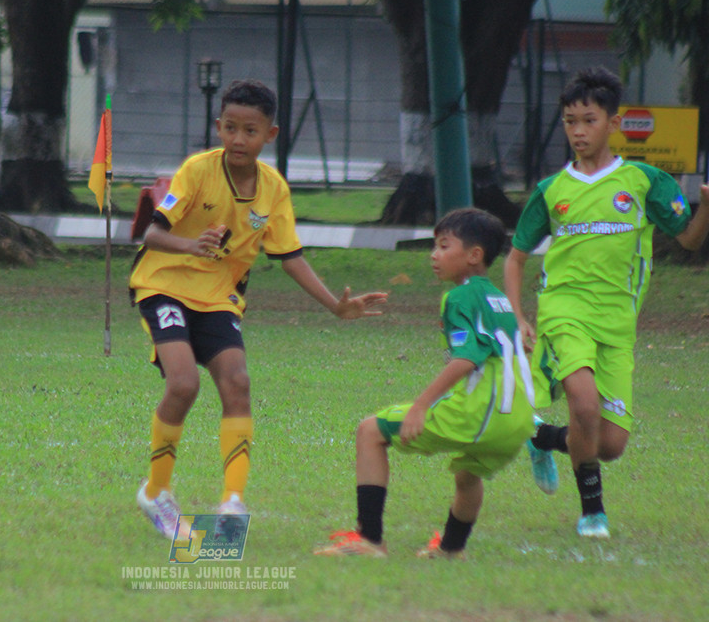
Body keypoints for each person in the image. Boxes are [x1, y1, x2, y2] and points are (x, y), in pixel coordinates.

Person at [130, 79, 388, 539]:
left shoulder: (273, 190)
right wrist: (192, 245)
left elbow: (289, 257)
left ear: (270, 135)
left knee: (238, 382)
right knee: (184, 383)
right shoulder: (197, 170)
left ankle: (232, 503)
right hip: (162, 285)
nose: (237, 139)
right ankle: (156, 493)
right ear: (218, 127)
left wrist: (336, 307)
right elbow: (152, 234)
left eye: (250, 130)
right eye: (229, 128)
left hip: (218, 297)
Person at [504, 66, 709, 539]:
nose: (578, 131)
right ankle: (592, 512)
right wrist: (518, 315)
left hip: (618, 321)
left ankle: (542, 437)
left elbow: (691, 242)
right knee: (583, 402)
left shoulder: (643, 181)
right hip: (564, 310)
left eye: (589, 120)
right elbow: (515, 259)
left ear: (613, 123)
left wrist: (706, 207)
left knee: (610, 444)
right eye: (570, 121)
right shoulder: (551, 191)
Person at [315, 208, 536, 559]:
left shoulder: (460, 296)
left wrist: (421, 406)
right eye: (434, 246)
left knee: (370, 431)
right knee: (467, 475)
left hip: (480, 411)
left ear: (474, 255)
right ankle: (451, 549)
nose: (434, 255)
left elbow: (468, 358)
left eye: (444, 246)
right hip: (517, 419)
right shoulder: (499, 299)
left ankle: (369, 540)